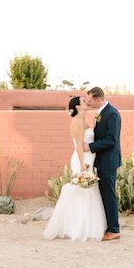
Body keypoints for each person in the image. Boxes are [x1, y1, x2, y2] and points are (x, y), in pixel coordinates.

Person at [43, 96, 107, 241]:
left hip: (89, 159)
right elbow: (79, 146)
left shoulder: (84, 120)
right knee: (80, 191)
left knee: (87, 192)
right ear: (78, 107)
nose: (87, 102)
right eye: (84, 101)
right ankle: (75, 227)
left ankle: (86, 226)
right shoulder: (77, 122)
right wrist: (83, 165)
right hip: (81, 160)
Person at [84, 87, 121, 241]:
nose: (89, 102)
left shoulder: (112, 114)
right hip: (101, 161)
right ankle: (108, 226)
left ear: (98, 99)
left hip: (109, 162)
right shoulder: (101, 113)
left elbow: (111, 139)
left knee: (109, 195)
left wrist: (90, 147)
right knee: (104, 194)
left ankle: (114, 229)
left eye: (90, 100)